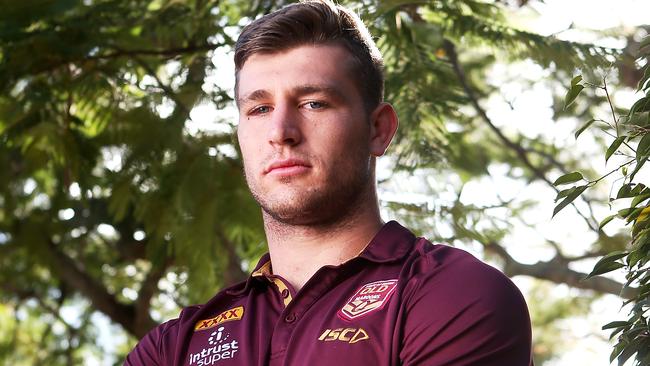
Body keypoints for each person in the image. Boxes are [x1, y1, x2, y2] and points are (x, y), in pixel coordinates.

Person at [125, 1, 533, 365]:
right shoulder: (174, 345)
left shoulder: (454, 296)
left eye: (313, 103)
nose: (281, 131)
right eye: (260, 108)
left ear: (378, 129)